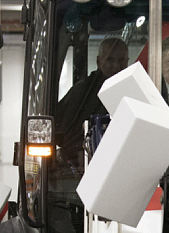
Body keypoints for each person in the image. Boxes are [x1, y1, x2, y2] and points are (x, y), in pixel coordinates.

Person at [54, 36, 129, 174]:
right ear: (99, 62)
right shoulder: (82, 91)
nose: (116, 66)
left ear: (128, 62)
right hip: (81, 167)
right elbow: (60, 128)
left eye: (121, 60)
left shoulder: (133, 91)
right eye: (110, 60)